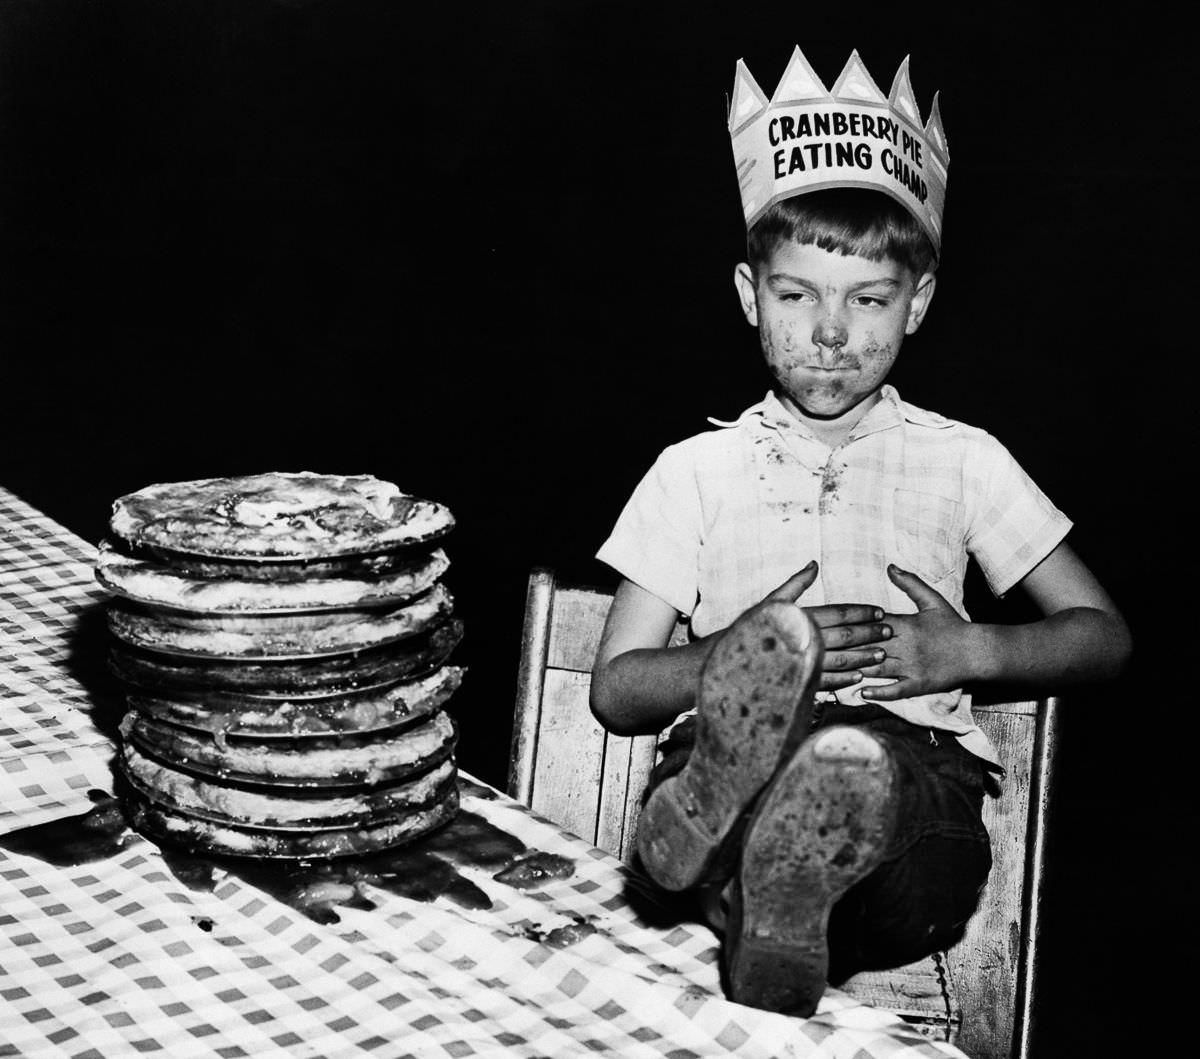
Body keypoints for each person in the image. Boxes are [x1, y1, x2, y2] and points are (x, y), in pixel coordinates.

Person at [589, 47, 1132, 1018]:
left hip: (914, 770)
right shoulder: (695, 472)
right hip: (736, 746)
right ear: (752, 298)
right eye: (797, 296)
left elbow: (1102, 635)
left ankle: (775, 889)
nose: (831, 332)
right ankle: (747, 846)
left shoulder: (964, 459)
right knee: (740, 773)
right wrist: (725, 662)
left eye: (867, 299)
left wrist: (969, 648)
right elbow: (622, 687)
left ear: (914, 304)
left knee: (904, 827)